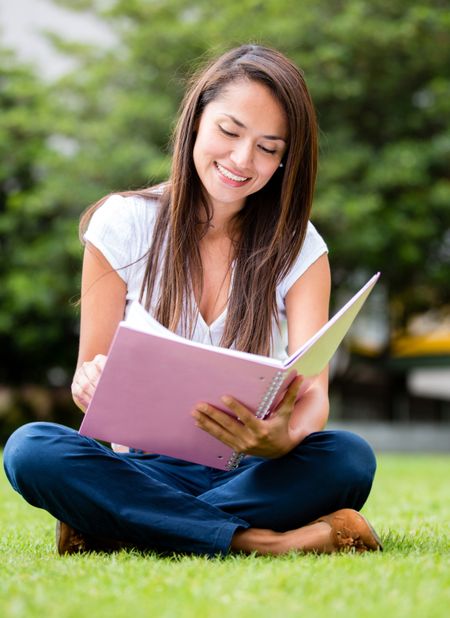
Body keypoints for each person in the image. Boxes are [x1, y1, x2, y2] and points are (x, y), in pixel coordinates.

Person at [3, 44, 382, 556]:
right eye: (229, 132)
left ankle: (113, 524)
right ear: (196, 120)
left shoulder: (301, 248)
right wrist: (93, 382)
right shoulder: (121, 224)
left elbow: (313, 392)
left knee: (348, 457)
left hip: (250, 466)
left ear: (287, 159)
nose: (242, 160)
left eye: (269, 148)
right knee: (31, 449)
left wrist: (281, 441)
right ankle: (262, 542)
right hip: (141, 462)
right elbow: (88, 372)